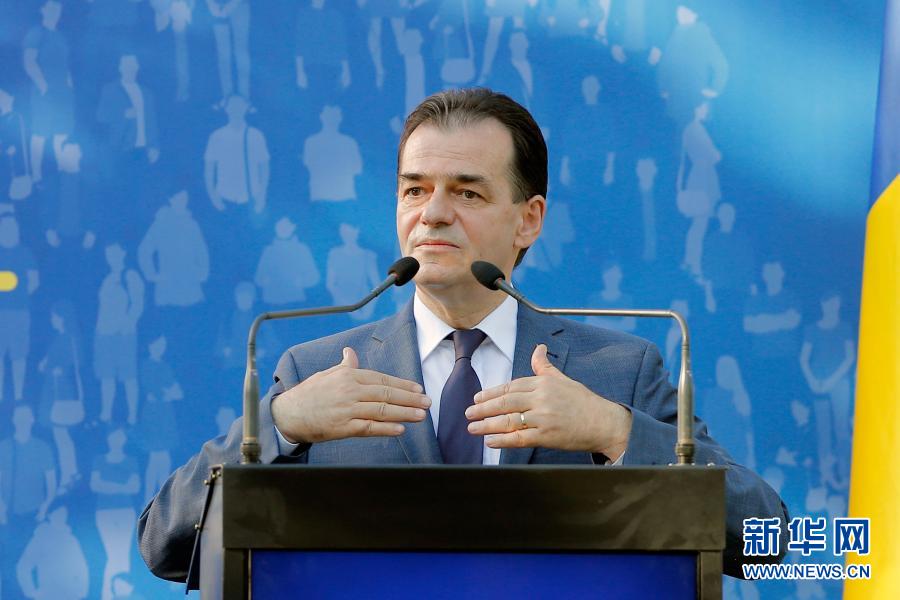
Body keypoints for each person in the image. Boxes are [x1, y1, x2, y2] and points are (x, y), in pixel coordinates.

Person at [138, 89, 788, 581]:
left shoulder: (617, 370)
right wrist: (279, 426)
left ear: (528, 219)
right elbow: (164, 545)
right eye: (414, 190)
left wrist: (614, 432)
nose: (432, 214)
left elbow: (767, 540)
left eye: (467, 194)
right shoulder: (315, 372)